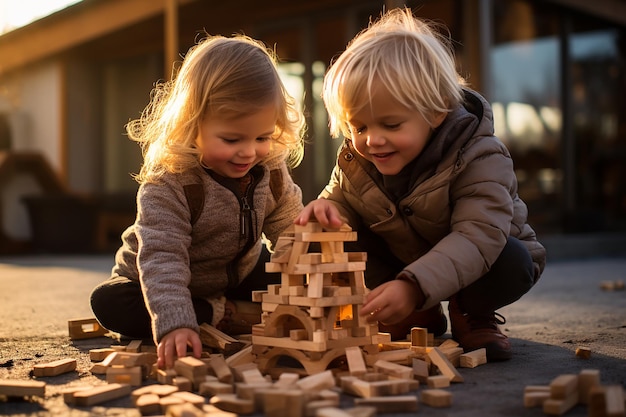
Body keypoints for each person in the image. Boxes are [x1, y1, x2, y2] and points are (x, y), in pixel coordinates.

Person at [295, 8, 546, 361]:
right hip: (405, 258)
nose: (372, 141)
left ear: (436, 111)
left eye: (391, 125)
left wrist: (413, 286)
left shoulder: (481, 155)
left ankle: (472, 312)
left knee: (511, 260)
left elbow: (478, 237)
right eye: (359, 127)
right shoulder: (358, 162)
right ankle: (416, 315)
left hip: (481, 259)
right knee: (342, 239)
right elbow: (339, 203)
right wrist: (326, 212)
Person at [90, 34, 306, 369]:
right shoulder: (171, 181)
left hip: (239, 271)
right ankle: (217, 313)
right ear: (193, 125)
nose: (249, 152)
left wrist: (305, 277)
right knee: (109, 302)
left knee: (284, 277)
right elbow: (163, 257)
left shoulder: (270, 170)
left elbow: (289, 227)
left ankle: (229, 307)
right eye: (232, 139)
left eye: (262, 137)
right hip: (161, 279)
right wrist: (175, 322)